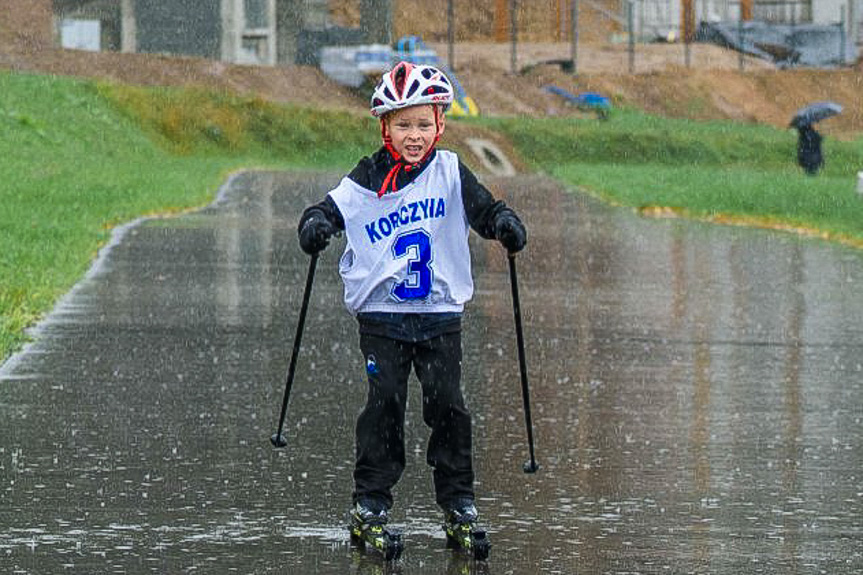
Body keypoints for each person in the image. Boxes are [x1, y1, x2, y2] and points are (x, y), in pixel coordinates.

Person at [296, 61, 527, 543]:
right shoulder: (367, 176)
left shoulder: (449, 171)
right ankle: (370, 503)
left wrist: (504, 224)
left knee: (448, 407)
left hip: (439, 317)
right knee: (385, 405)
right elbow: (328, 210)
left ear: (439, 125)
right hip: (383, 318)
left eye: (424, 124)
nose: (414, 135)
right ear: (386, 127)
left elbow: (485, 210)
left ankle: (458, 503)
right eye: (403, 125)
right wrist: (315, 226)